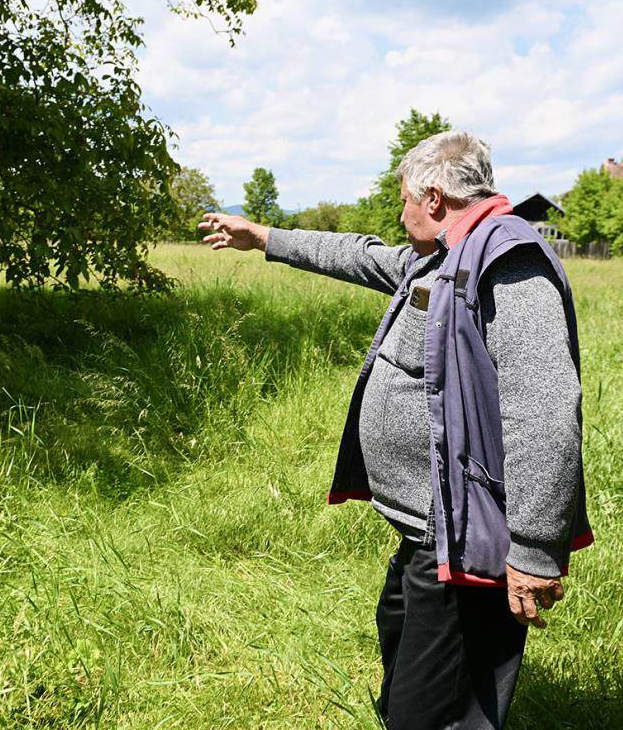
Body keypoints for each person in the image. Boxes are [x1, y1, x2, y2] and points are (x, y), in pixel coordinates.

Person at [198, 131, 592, 729]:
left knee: (431, 716)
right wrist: (263, 238)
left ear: (433, 198)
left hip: (465, 537)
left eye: (404, 199)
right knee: (404, 685)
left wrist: (535, 550)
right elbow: (357, 254)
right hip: (426, 535)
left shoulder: (507, 262)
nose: (399, 212)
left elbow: (545, 405)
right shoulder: (443, 254)